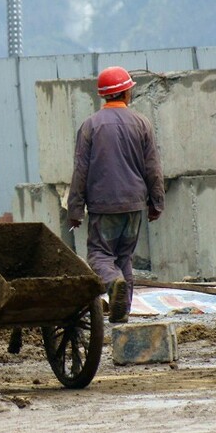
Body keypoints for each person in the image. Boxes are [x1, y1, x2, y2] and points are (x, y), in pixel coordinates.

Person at [67, 66, 165, 323]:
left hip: (103, 206)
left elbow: (80, 171)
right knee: (124, 257)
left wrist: (75, 210)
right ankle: (124, 312)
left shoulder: (90, 126)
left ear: (103, 95)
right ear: (127, 92)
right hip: (134, 204)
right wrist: (156, 203)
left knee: (99, 255)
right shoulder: (142, 123)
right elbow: (152, 167)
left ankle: (113, 283)